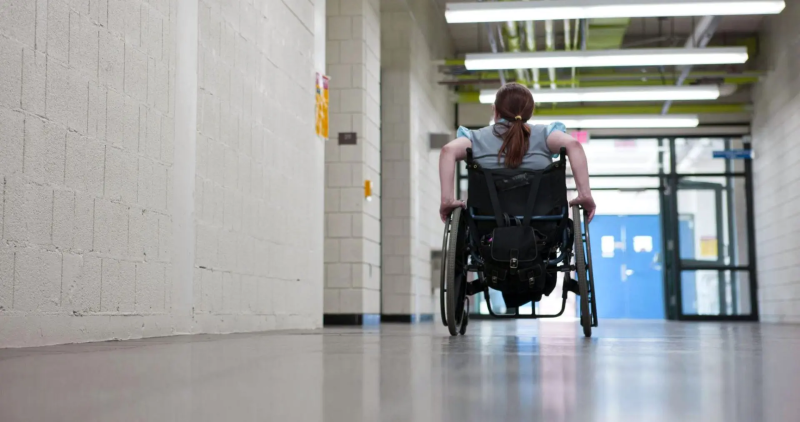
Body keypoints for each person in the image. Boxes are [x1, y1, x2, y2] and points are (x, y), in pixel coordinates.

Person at [438, 82, 595, 223]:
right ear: (530, 112)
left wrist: (447, 200)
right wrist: (585, 195)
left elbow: (448, 150)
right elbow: (574, 145)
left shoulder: (475, 138)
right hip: (543, 221)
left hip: (486, 222)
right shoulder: (545, 135)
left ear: (495, 110)